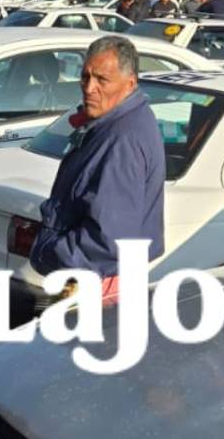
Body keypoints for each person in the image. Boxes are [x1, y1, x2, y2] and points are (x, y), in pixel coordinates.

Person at [30, 36, 165, 299]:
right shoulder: (112, 124)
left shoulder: (122, 140)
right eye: (85, 77)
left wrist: (52, 252)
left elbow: (109, 238)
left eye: (102, 80)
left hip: (94, 282)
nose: (89, 87)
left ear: (130, 84)